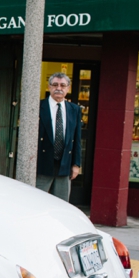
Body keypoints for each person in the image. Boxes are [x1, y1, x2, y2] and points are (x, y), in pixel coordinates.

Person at [36, 72, 82, 201]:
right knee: (37, 202)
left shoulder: (74, 110)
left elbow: (77, 139)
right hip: (42, 165)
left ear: (68, 88)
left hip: (64, 165)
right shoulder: (39, 106)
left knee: (62, 204)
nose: (59, 88)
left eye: (63, 85)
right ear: (49, 87)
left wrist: (76, 164)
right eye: (55, 85)